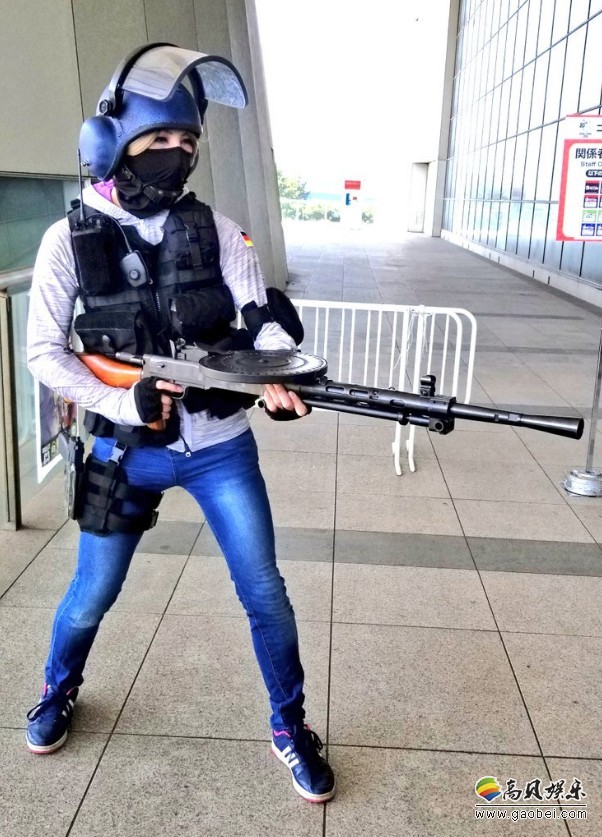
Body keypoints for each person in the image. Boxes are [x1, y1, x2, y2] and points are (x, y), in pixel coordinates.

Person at [25, 44, 335, 804]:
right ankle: (58, 688)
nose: (177, 152)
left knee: (264, 590)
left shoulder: (218, 229)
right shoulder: (67, 239)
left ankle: (290, 723)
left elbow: (262, 322)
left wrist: (281, 373)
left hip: (219, 448)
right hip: (123, 449)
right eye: (159, 137)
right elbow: (42, 352)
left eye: (187, 139)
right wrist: (122, 401)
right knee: (91, 593)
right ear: (112, 143)